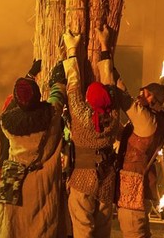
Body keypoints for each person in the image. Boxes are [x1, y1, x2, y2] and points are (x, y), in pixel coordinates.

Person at [0, 61, 67, 238]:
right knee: (42, 225)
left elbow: (13, 106)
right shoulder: (52, 115)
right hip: (42, 183)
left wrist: (30, 74)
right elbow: (58, 96)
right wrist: (57, 79)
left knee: (13, 225)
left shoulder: (6, 123)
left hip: (14, 182)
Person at [62, 28, 121, 237]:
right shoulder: (113, 117)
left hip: (82, 180)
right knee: (103, 231)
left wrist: (71, 49)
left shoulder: (81, 115)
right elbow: (109, 86)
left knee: (82, 230)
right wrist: (104, 46)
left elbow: (74, 84)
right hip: (106, 180)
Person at [116, 79, 164, 238]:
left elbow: (125, 101)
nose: (139, 96)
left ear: (151, 98)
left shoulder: (147, 120)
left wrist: (111, 73)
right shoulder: (155, 119)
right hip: (140, 188)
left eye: (143, 94)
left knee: (133, 232)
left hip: (133, 190)